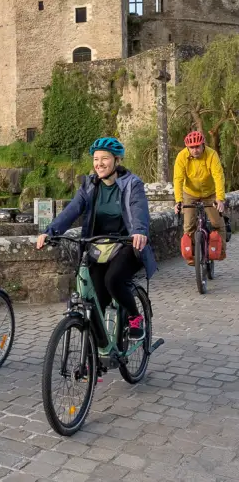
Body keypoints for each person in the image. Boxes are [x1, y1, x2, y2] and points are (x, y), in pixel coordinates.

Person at [36, 136, 156, 342]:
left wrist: (139, 230)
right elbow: (72, 210)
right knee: (97, 298)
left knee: (113, 280)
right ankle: (100, 352)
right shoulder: (89, 186)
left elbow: (139, 209)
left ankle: (135, 318)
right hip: (98, 246)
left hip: (126, 244)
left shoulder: (131, 184)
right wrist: (50, 231)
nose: (99, 164)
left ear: (117, 161)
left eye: (105, 159)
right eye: (95, 159)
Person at [173, 130, 226, 263]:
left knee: (217, 223)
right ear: (187, 148)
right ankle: (191, 257)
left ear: (203, 145)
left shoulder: (212, 155)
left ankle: (220, 252)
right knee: (189, 225)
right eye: (192, 147)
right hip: (190, 193)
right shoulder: (181, 157)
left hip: (210, 193)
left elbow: (218, 177)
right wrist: (178, 201)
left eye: (198, 147)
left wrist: (220, 199)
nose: (195, 150)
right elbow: (178, 180)